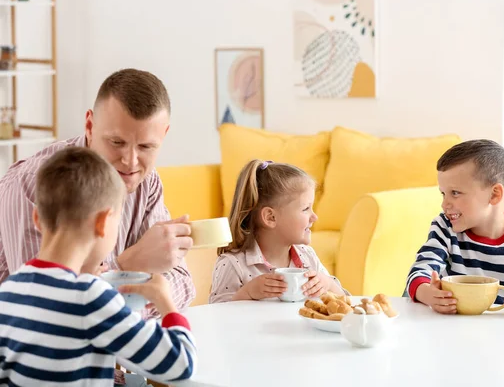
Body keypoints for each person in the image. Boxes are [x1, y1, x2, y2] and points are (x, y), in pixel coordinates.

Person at [0, 68, 195, 316]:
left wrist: (121, 316)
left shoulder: (146, 182)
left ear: (163, 135)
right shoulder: (30, 186)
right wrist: (129, 266)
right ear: (90, 126)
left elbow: (184, 284)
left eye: (146, 146)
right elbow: (47, 311)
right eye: (117, 143)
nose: (131, 162)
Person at [0, 147, 197, 385]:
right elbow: (180, 364)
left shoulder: (8, 293)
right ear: (103, 223)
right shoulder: (91, 298)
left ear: (37, 218)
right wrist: (165, 301)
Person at [405, 139, 504, 317]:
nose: (444, 204)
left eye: (455, 193)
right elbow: (419, 271)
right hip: (453, 331)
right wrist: (428, 294)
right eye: (443, 193)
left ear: (494, 195)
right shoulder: (444, 227)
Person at [209, 160, 348, 303]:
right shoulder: (234, 264)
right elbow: (215, 315)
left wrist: (328, 284)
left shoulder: (307, 257)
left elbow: (345, 303)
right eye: (306, 209)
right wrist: (247, 293)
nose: (314, 216)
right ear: (271, 217)